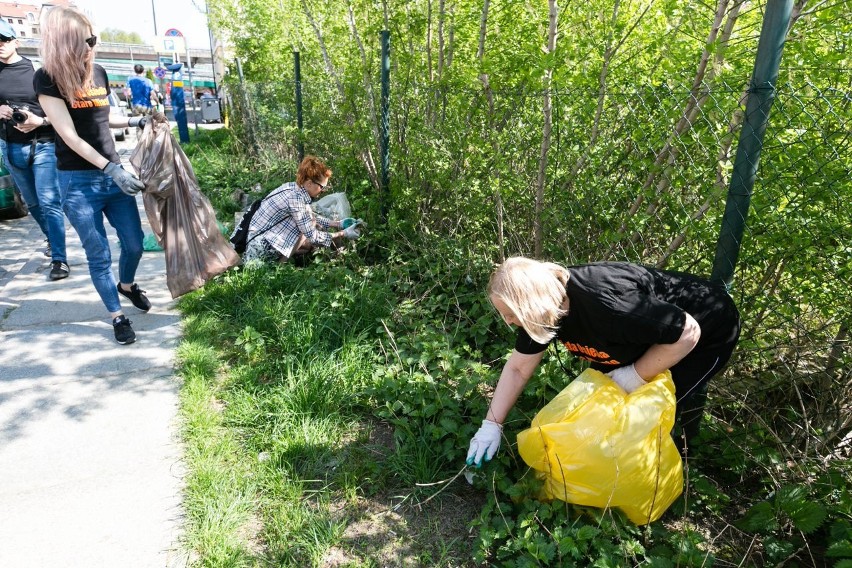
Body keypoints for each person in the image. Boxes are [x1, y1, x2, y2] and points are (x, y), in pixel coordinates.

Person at [466, 257, 741, 467]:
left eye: (511, 314)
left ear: (532, 305)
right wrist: (491, 425)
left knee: (651, 408)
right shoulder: (544, 310)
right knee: (599, 405)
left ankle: (647, 483)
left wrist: (633, 375)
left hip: (706, 330)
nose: (509, 322)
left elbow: (687, 332)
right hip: (645, 336)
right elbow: (517, 368)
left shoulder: (608, 304)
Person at [35, 6, 152, 345]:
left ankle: (126, 285)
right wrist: (111, 168)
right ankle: (117, 316)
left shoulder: (97, 71)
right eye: (87, 40)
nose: (93, 45)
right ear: (65, 42)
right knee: (97, 253)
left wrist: (135, 121)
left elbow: (104, 117)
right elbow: (69, 135)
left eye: (94, 38)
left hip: (112, 176)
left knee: (133, 244)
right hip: (78, 182)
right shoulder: (46, 78)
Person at [0, 20, 69, 279]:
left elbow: (63, 110)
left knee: (50, 201)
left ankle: (59, 260)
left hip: (44, 144)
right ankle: (52, 239)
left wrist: (38, 120)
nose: (0, 46)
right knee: (33, 204)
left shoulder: (38, 70)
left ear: (16, 42)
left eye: (4, 40)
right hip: (10, 146)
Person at [242, 155, 363, 264]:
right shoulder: (296, 200)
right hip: (261, 252)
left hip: (256, 243)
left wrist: (339, 223)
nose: (323, 191)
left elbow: (309, 216)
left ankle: (283, 262)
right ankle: (278, 267)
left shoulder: (292, 187)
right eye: (322, 187)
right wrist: (344, 233)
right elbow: (313, 235)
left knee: (308, 226)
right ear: (310, 183)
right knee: (308, 231)